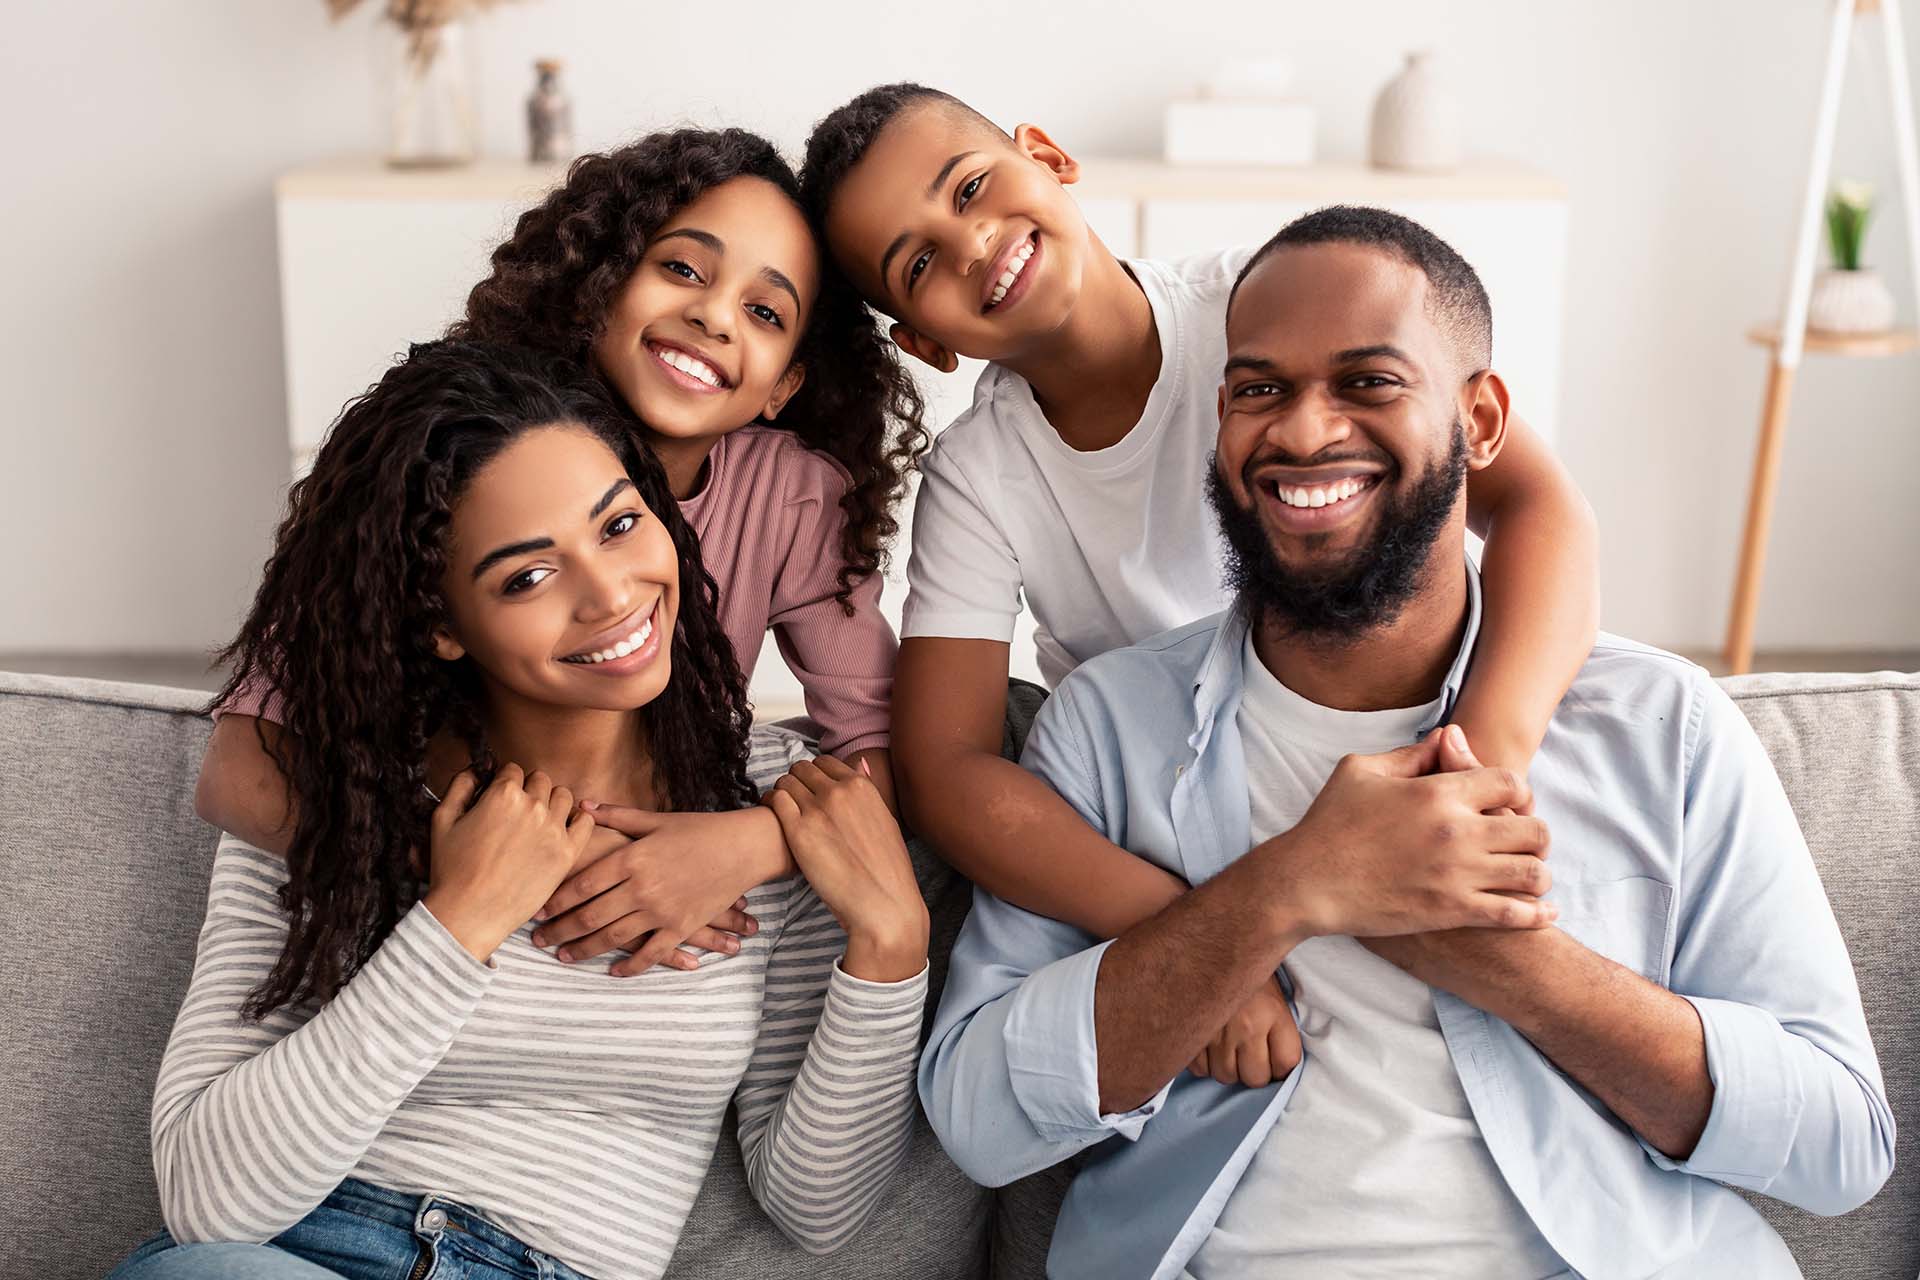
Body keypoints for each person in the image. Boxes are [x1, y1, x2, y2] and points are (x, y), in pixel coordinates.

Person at [918, 208, 1893, 1279]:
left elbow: (1842, 1145)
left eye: (1368, 382)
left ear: (1481, 420)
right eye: (1259, 389)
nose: (1300, 431)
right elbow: (977, 1114)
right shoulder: (1106, 730)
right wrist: (1282, 891)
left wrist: (1515, 967)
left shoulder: (1661, 725)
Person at [799, 84, 1599, 1077]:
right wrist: (1196, 930)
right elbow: (947, 772)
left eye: (970, 187)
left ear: (1047, 154)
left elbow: (1541, 504)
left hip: (1400, 741)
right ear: (923, 341)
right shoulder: (982, 471)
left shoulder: (1258, 307)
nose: (969, 246)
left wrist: (1485, 759)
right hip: (1192, 819)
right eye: (918, 262)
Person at [111, 341, 930, 1280]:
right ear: (443, 623)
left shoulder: (774, 822)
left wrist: (893, 942)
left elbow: (815, 1206)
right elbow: (207, 1202)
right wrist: (459, 920)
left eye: (620, 526)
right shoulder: (329, 796)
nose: (612, 594)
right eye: (526, 578)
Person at [196, 128, 927, 975]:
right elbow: (240, 769)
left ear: (786, 384)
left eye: (765, 312)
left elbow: (875, 745)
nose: (713, 315)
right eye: (683, 268)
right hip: (454, 886)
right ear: (601, 280)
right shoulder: (455, 453)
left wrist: (749, 846)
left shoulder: (793, 496)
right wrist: (499, 876)